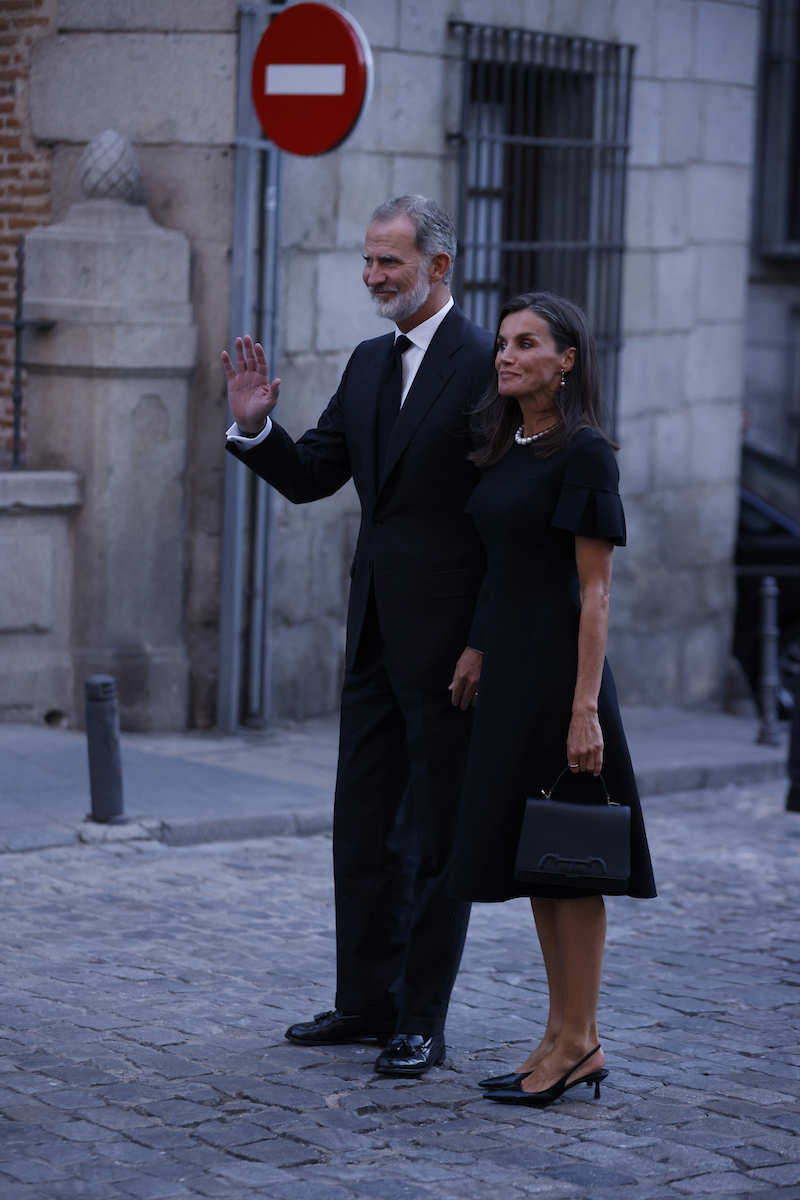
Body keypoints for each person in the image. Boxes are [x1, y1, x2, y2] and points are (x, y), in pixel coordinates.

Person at [222, 195, 494, 1076]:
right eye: (368, 262)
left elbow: (507, 519)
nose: (373, 277)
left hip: (454, 649)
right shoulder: (370, 361)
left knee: (433, 834)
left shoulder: (490, 360)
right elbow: (311, 477)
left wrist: (484, 639)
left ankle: (421, 1018)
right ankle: (363, 1003)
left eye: (390, 263)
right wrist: (258, 428)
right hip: (374, 632)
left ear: (439, 268)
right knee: (364, 822)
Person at [448, 291, 656, 1106]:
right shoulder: (510, 444)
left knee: (576, 863)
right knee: (542, 860)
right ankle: (560, 1034)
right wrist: (475, 645)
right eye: (502, 342)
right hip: (511, 679)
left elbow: (594, 593)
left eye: (526, 343)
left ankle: (582, 1038)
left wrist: (584, 710)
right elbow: (505, 570)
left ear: (566, 360)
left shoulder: (585, 453)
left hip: (563, 684)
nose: (505, 355)